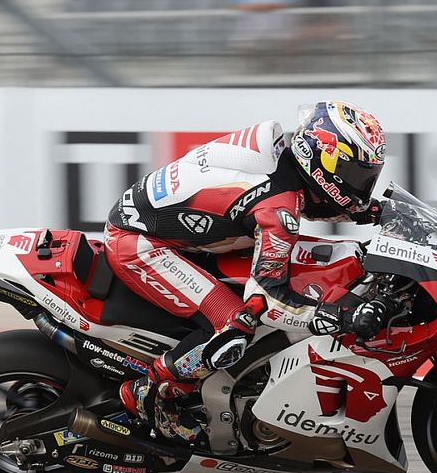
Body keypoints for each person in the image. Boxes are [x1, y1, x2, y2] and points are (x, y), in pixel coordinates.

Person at [104, 101, 388, 441]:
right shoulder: (276, 208)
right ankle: (152, 391)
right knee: (237, 322)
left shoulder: (284, 158)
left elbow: (313, 201)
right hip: (139, 244)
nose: (360, 184)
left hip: (184, 232)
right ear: (322, 157)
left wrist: (375, 211)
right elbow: (267, 295)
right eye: (356, 175)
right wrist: (334, 316)